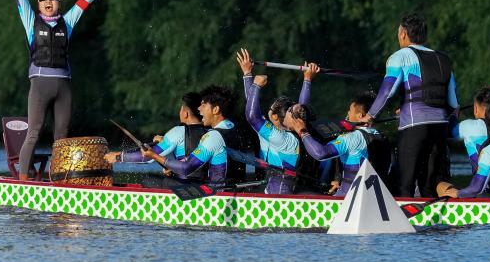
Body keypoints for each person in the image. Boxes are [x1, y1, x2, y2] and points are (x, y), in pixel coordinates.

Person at [0, 0, 118, 181]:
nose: (48, 1)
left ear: (59, 3)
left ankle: (59, 181)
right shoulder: (30, 20)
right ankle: (23, 181)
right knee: (33, 133)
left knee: (61, 138)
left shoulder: (68, 21)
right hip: (40, 85)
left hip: (64, 87)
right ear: (38, 4)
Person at [365, 12, 458, 197]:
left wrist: (371, 115)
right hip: (440, 128)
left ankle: (403, 214)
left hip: (414, 127)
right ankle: (430, 215)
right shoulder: (443, 59)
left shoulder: (400, 56)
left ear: (403, 33)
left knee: (404, 185)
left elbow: (387, 91)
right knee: (428, 187)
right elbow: (454, 103)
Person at [236, 48, 315, 194]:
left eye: (271, 108)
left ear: (275, 117)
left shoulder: (281, 138)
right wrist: (307, 79)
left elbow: (252, 116)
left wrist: (256, 85)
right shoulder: (284, 130)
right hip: (273, 189)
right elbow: (251, 106)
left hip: (279, 195)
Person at [140, 85, 249, 188]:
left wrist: (154, 155)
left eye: (204, 105)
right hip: (237, 189)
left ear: (215, 109)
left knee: (148, 180)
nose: (199, 109)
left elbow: (186, 168)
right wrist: (172, 167)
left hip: (218, 195)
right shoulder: (236, 129)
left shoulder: (214, 136)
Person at [283, 92, 383, 197]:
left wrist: (302, 131)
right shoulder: (381, 137)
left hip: (349, 199)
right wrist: (338, 179)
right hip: (374, 197)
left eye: (350, 111)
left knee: (304, 195)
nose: (348, 114)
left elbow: (320, 153)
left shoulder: (353, 138)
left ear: (360, 116)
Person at [103, 92, 206, 180]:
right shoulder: (210, 131)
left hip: (184, 188)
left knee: (147, 180)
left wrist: (118, 157)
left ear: (185, 113)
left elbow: (147, 156)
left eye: (181, 109)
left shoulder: (178, 131)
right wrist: (165, 141)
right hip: (204, 187)